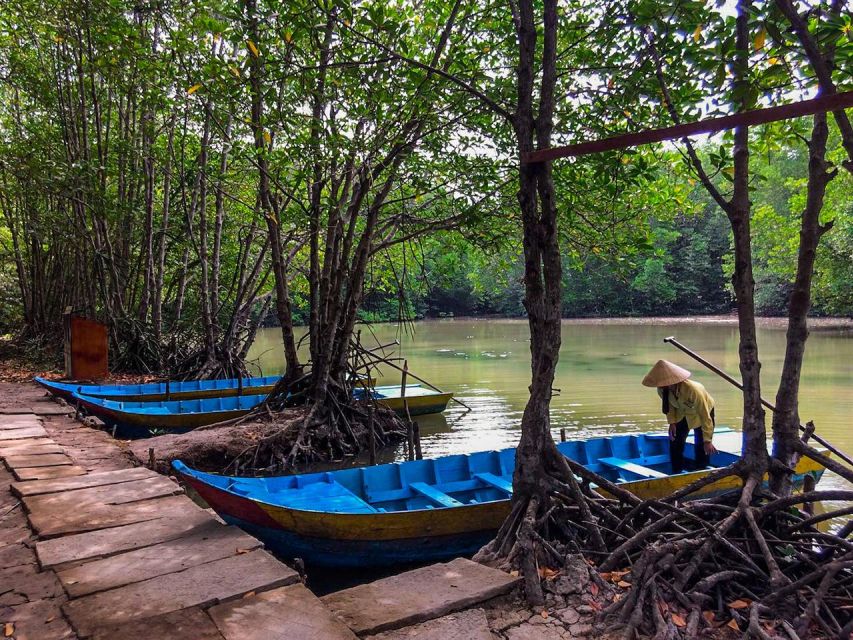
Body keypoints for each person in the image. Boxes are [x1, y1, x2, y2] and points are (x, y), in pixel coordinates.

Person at [642, 360, 717, 473]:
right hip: (681, 413)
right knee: (675, 441)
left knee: (701, 443)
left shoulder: (693, 390)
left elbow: (705, 416)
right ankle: (676, 471)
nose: (661, 385)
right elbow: (669, 407)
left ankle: (701, 469)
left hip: (702, 411)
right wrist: (672, 423)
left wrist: (708, 441)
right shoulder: (662, 390)